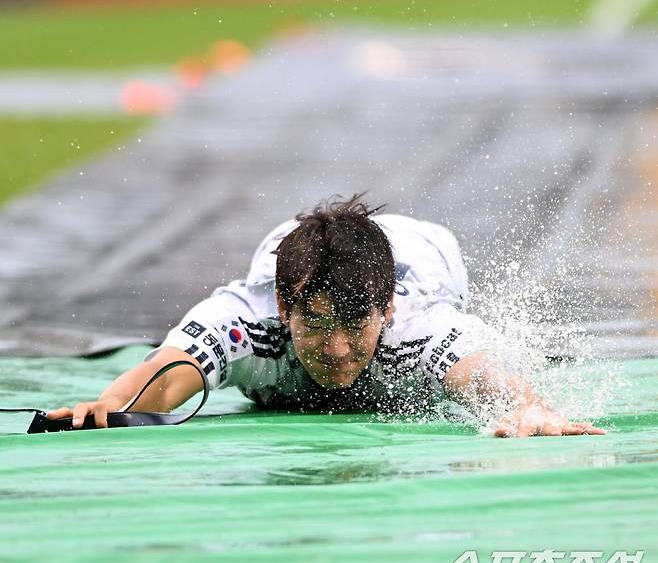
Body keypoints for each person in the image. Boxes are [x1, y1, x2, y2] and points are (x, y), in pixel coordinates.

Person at [48, 195, 605, 437]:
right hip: (296, 254)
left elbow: (486, 377)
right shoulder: (247, 316)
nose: (337, 349)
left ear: (384, 311)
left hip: (426, 252)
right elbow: (168, 371)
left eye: (355, 326)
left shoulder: (418, 324)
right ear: (285, 308)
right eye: (315, 325)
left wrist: (529, 408)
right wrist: (110, 405)